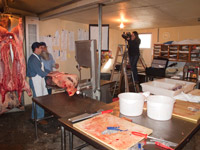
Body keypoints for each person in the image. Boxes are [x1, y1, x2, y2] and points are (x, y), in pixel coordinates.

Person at [27, 42, 48, 121]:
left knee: (37, 99)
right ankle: (39, 118)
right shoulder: (33, 59)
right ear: (36, 49)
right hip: (35, 81)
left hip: (39, 81)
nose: (41, 49)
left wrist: (51, 72)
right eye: (40, 48)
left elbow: (43, 69)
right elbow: (40, 72)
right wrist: (50, 75)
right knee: (39, 99)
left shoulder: (38, 57)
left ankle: (34, 117)